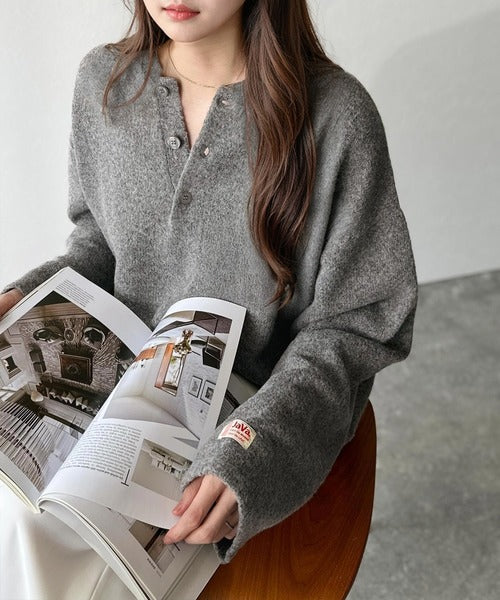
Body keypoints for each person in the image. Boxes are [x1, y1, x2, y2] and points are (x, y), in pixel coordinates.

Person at [0, 0, 418, 588]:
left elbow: (356, 325)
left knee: (41, 532)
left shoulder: (335, 116)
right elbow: (101, 243)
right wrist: (23, 299)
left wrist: (252, 448)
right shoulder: (104, 83)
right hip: (113, 375)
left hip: (247, 399)